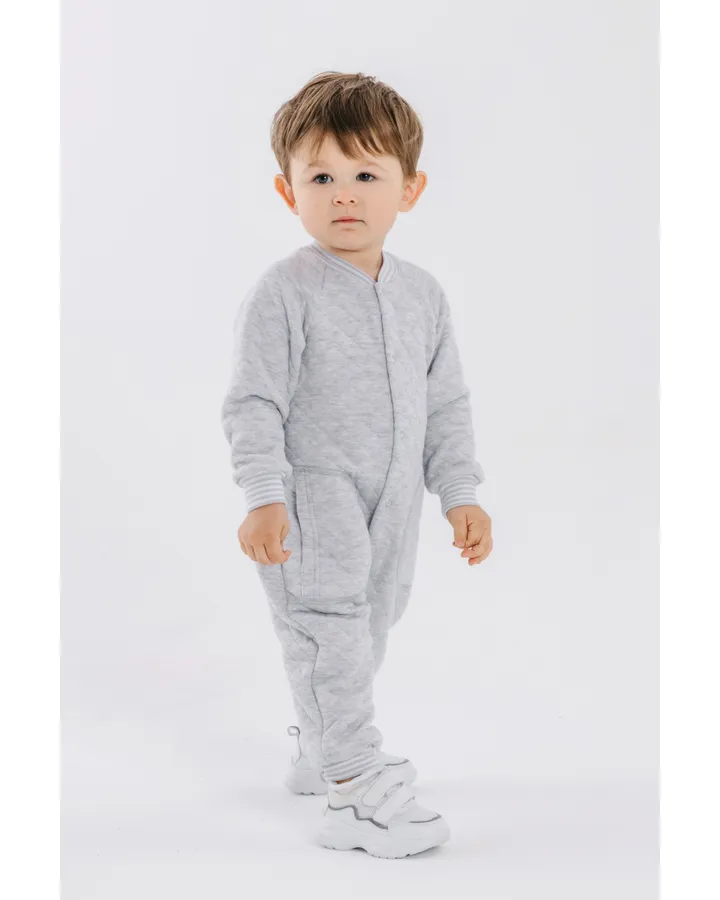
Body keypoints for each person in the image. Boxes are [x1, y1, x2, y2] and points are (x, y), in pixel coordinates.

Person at [220, 71, 493, 859]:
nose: (344, 194)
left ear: (410, 189)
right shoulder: (284, 293)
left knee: (368, 629)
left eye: (367, 175)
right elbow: (253, 402)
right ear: (288, 191)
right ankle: (352, 785)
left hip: (394, 506)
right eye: (321, 178)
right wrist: (264, 494)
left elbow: (446, 402)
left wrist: (459, 492)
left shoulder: (423, 296)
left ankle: (321, 745)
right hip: (314, 502)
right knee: (330, 633)